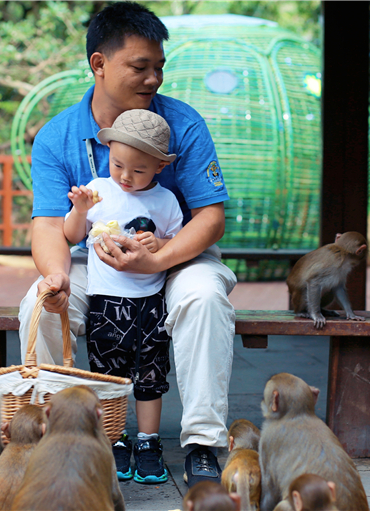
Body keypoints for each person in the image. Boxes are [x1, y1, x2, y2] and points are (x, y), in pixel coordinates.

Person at [18, 1, 236, 488]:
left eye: (159, 67)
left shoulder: (184, 123)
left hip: (179, 256)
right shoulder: (57, 137)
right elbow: (50, 226)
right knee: (41, 301)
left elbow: (210, 218)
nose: (153, 78)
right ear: (99, 64)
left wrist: (157, 256)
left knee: (203, 295)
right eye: (140, 67)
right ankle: (65, 436)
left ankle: (201, 443)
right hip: (89, 260)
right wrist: (55, 276)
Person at [64, 109, 182, 483]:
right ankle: (113, 438)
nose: (126, 177)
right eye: (118, 165)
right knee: (107, 373)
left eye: (139, 170)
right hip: (106, 300)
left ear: (161, 167)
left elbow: (178, 242)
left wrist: (160, 243)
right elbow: (71, 234)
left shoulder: (166, 202)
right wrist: (80, 209)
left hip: (151, 301)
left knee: (150, 375)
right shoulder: (98, 189)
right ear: (108, 153)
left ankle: (148, 442)